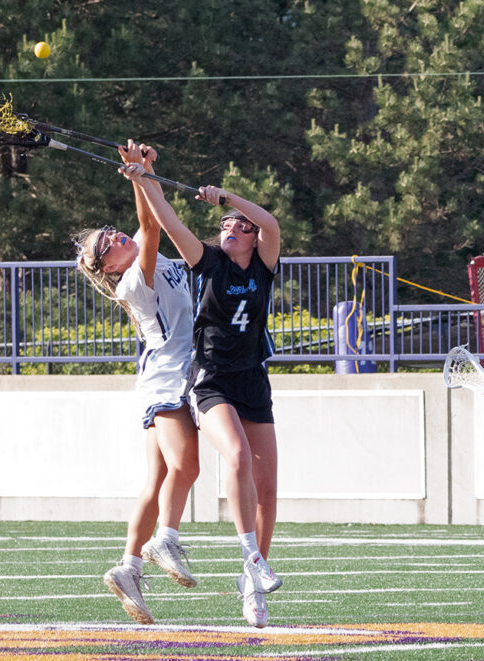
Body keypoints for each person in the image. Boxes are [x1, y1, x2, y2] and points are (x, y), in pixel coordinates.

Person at [119, 161, 282, 629]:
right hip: (210, 379)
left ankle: (251, 588)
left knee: (267, 489)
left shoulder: (265, 264)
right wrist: (144, 178)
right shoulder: (208, 262)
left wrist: (228, 198)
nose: (231, 228)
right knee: (236, 458)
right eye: (226, 225)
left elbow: (271, 223)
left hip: (253, 378)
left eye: (239, 226)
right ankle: (252, 558)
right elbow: (167, 221)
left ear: (252, 238)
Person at [75, 141, 200, 625]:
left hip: (174, 375)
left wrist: (147, 172)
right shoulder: (134, 280)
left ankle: (127, 567)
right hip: (166, 379)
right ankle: (164, 539)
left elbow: (159, 218)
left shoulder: (156, 261)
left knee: (158, 478)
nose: (114, 238)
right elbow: (149, 225)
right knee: (185, 467)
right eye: (106, 246)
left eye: (110, 234)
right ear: (108, 268)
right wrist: (136, 182)